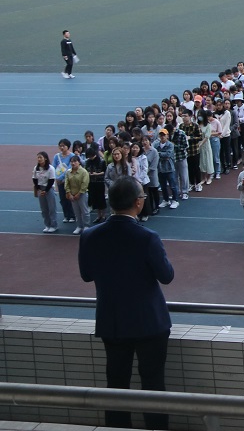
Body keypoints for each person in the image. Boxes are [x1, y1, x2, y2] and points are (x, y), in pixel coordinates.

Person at [78, 175, 174, 431]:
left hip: (112, 321)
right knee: (153, 384)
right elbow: (166, 276)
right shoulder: (147, 237)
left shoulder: (89, 235)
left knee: (116, 384)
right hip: (149, 323)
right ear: (138, 203)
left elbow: (86, 275)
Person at [33, 151, 58, 233]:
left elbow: (51, 180)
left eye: (41, 157)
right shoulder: (36, 168)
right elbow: (34, 179)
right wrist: (39, 189)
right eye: (38, 157)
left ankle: (54, 225)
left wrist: (45, 190)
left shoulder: (51, 168)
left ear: (45, 158)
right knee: (44, 209)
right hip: (40, 189)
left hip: (49, 189)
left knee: (51, 208)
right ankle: (47, 225)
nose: (39, 159)